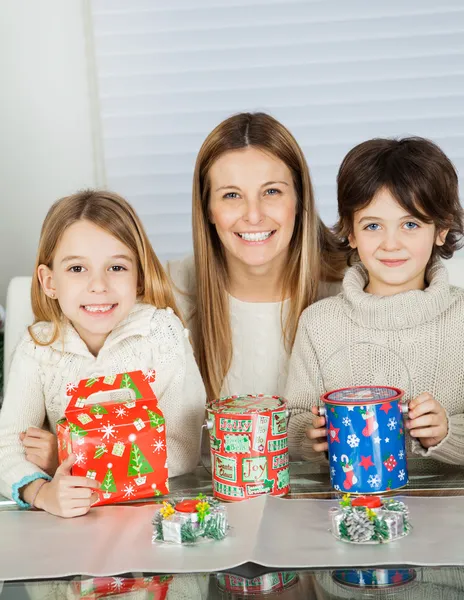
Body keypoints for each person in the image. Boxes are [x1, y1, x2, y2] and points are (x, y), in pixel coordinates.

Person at [0, 190, 206, 516]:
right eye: (78, 269)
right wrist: (41, 492)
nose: (99, 285)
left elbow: (181, 447)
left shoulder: (161, 336)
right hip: (73, 523)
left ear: (139, 277)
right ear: (50, 281)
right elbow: (7, 448)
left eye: (117, 267)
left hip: (151, 518)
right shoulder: (37, 350)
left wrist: (71, 456)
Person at [286, 137, 464, 471]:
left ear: (441, 229)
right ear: (351, 233)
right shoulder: (319, 324)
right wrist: (309, 435)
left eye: (410, 224)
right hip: (350, 511)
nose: (391, 243)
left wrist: (447, 433)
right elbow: (294, 418)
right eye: (372, 226)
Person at [168, 112, 346, 401]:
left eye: (272, 191)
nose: (253, 215)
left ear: (300, 200)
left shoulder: (353, 288)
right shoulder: (170, 294)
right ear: (208, 209)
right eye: (231, 195)